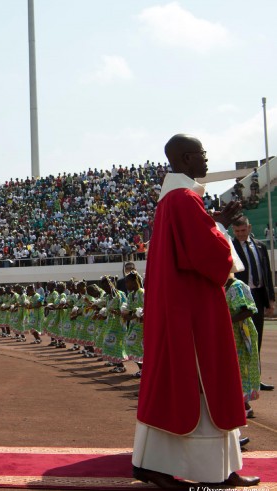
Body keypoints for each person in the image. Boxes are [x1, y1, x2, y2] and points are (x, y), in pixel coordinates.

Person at [132, 134, 259, 488]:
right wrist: (218, 226)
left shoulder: (178, 200)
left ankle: (215, 468)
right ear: (186, 159)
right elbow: (209, 255)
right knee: (203, 385)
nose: (206, 159)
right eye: (202, 154)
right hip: (195, 312)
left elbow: (193, 241)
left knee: (185, 386)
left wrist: (214, 218)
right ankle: (210, 473)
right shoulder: (184, 199)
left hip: (187, 307)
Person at [231, 216, 275, 392]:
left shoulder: (260, 246)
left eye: (243, 230)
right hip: (239, 298)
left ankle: (256, 379)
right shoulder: (230, 247)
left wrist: (270, 299)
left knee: (256, 338)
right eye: (236, 231)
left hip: (257, 295)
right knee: (240, 340)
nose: (240, 234)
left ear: (249, 228)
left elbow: (266, 274)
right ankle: (238, 379)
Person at [224, 274, 260, 442]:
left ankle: (244, 406)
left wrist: (226, 321)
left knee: (241, 368)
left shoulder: (237, 286)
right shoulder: (226, 287)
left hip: (242, 334)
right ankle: (244, 406)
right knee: (234, 370)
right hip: (232, 334)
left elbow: (248, 310)